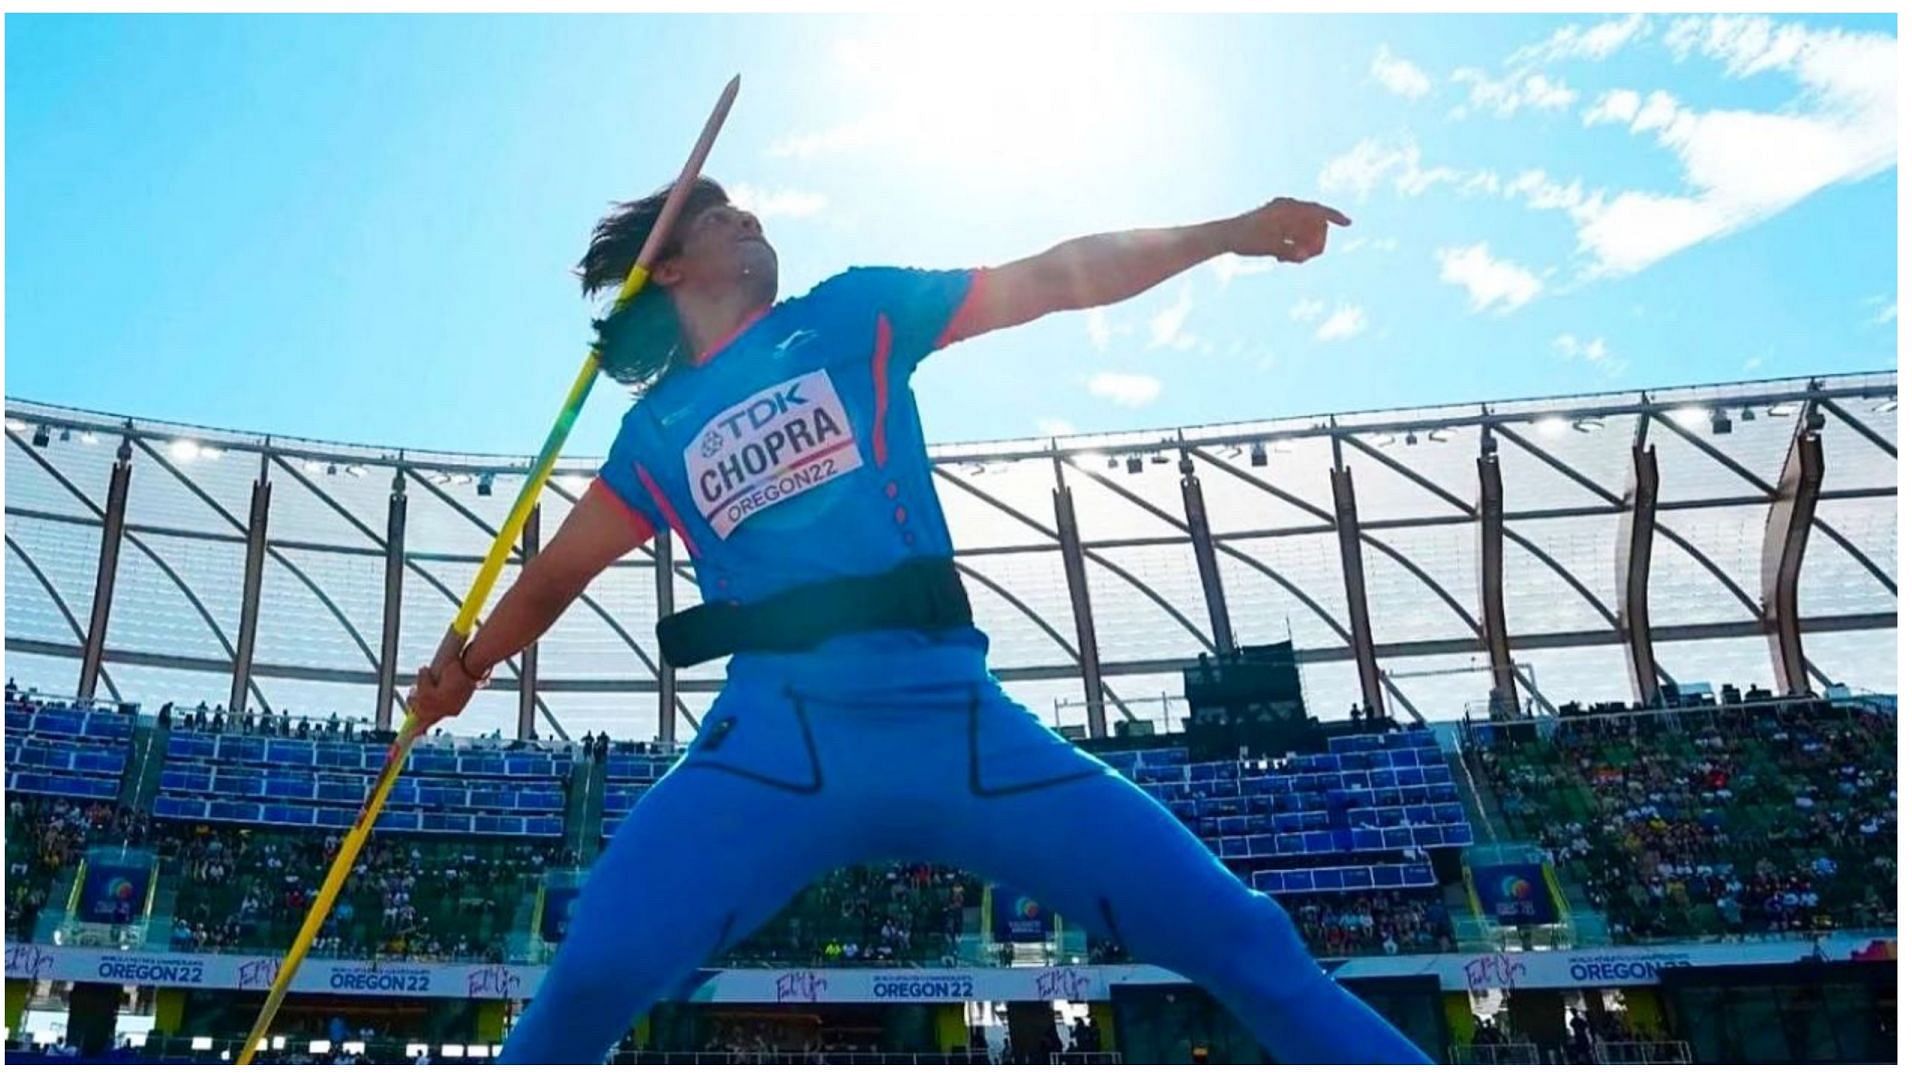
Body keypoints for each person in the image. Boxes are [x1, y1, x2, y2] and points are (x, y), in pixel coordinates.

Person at [412, 177, 1428, 1065]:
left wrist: (1227, 232)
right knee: (594, 970)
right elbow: (555, 575)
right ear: (669, 268)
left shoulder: (854, 313)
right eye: (723, 216)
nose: (752, 217)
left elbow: (1052, 275)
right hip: (776, 739)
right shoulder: (657, 429)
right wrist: (466, 667)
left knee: (1244, 938)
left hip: (956, 724)